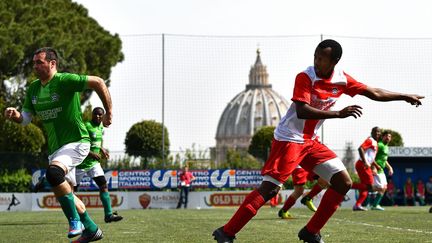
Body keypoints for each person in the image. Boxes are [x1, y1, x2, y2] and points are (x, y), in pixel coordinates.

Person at [212, 39, 423, 243]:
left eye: (321, 58)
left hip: (310, 141)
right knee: (270, 189)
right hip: (289, 139)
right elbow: (302, 111)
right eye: (315, 56)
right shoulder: (305, 77)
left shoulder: (342, 79)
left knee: (343, 182)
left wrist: (404, 96)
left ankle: (311, 231)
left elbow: (374, 92)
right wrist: (338, 114)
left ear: (334, 62)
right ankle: (227, 232)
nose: (316, 61)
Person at [4, 47, 112, 242]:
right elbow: (26, 118)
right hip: (56, 150)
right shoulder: (34, 88)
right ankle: (91, 228)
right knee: (65, 189)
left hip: (77, 141)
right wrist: (16, 115)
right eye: (34, 62)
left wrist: (109, 113)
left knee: (54, 174)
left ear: (52, 63)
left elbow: (98, 82)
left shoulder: (65, 80)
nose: (34, 66)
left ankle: (74, 221)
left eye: (39, 62)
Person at [75, 107, 123, 223]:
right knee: (71, 191)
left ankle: (108, 215)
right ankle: (75, 217)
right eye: (96, 114)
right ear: (92, 115)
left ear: (103, 116)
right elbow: (78, 144)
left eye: (100, 115)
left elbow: (95, 141)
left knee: (103, 185)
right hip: (81, 164)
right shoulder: (86, 126)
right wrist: (91, 153)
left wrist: (101, 149)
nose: (98, 116)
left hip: (94, 164)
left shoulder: (101, 127)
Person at [351, 127, 381, 211]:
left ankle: (357, 205)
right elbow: (360, 148)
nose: (377, 133)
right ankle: (348, 184)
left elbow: (371, 157)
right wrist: (365, 162)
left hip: (364, 165)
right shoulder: (370, 140)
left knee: (365, 188)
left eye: (379, 132)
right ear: (371, 132)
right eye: (375, 131)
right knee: (370, 186)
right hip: (362, 165)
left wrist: (376, 165)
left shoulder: (375, 143)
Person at [370, 130, 393, 210]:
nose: (388, 137)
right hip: (376, 169)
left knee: (384, 187)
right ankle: (364, 188)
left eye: (389, 136)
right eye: (386, 136)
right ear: (382, 137)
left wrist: (390, 167)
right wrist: (373, 167)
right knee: (381, 188)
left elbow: (384, 160)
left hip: (381, 170)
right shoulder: (379, 145)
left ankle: (375, 205)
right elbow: (372, 157)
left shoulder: (386, 147)